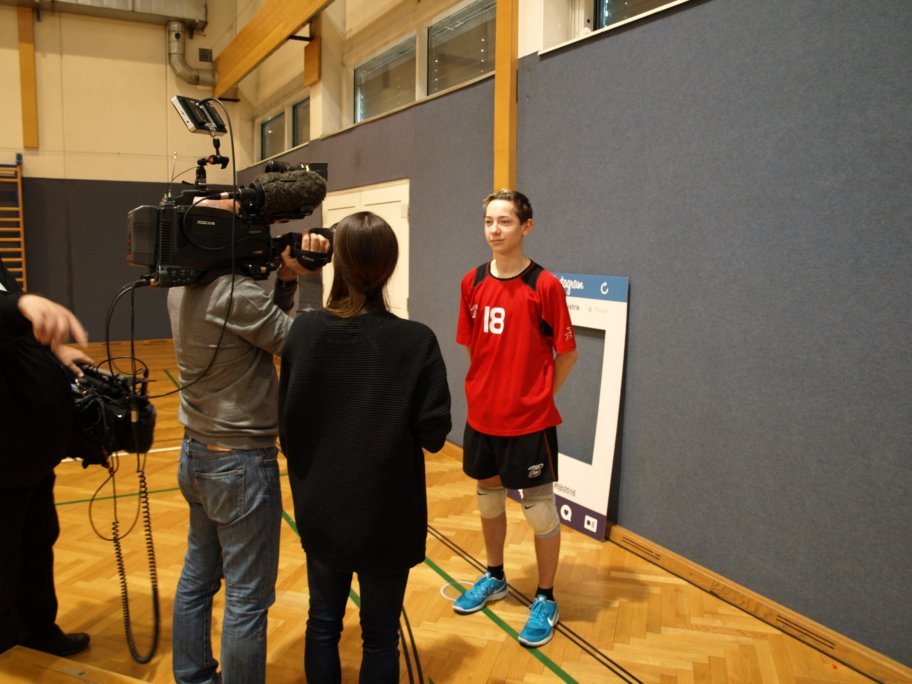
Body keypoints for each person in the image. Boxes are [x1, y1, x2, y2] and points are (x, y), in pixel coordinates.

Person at [279, 211, 451, 683]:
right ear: (390, 266)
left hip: (322, 509)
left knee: (322, 625)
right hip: (387, 515)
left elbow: (287, 431)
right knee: (380, 637)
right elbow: (434, 435)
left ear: (338, 263)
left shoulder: (304, 333)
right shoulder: (415, 341)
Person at [167, 221, 329, 684]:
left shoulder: (181, 287)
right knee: (247, 597)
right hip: (239, 463)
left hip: (197, 453)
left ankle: (193, 676)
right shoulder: (235, 294)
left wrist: (286, 280)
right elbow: (301, 345)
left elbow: (256, 331)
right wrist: (311, 280)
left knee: (197, 578)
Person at [454, 189, 577, 648]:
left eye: (504, 221)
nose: (494, 230)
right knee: (488, 501)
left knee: (539, 510)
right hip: (482, 418)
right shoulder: (471, 281)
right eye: (489, 221)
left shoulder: (545, 286)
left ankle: (546, 597)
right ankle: (495, 575)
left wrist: (536, 397)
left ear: (526, 227)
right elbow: (474, 347)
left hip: (529, 423)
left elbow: (567, 354)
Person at [0, 257, 94, 657]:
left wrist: (54, 351)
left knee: (36, 543)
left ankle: (36, 630)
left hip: (28, 454)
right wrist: (19, 305)